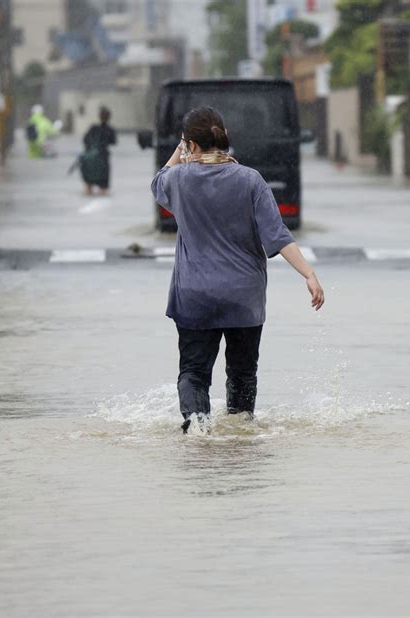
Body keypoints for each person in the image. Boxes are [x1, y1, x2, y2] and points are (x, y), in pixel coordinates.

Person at [151, 106, 325, 435]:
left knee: (193, 373)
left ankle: (199, 431)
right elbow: (278, 236)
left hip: (195, 296)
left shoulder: (179, 180)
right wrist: (308, 274)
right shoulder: (250, 180)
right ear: (224, 136)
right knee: (243, 373)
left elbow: (158, 182)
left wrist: (180, 151)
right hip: (243, 298)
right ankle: (241, 438)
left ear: (190, 145)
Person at [81, 106, 117, 196]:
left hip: (91, 158)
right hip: (103, 157)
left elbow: (85, 140)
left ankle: (90, 190)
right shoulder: (110, 130)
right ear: (109, 117)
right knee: (103, 186)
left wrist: (90, 149)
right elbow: (113, 142)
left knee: (89, 183)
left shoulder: (94, 128)